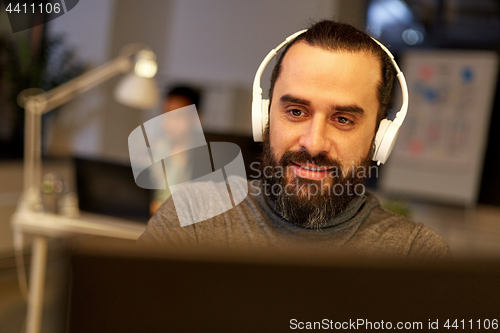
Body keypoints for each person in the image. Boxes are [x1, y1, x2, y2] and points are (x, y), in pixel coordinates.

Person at [138, 20, 451, 258]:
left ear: (380, 137)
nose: (313, 144)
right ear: (264, 117)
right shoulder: (192, 217)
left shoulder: (414, 255)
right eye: (297, 112)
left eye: (343, 119)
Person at [149, 85, 203, 215]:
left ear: (196, 118)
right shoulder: (154, 152)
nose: (170, 122)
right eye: (166, 114)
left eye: (178, 116)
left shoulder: (206, 160)